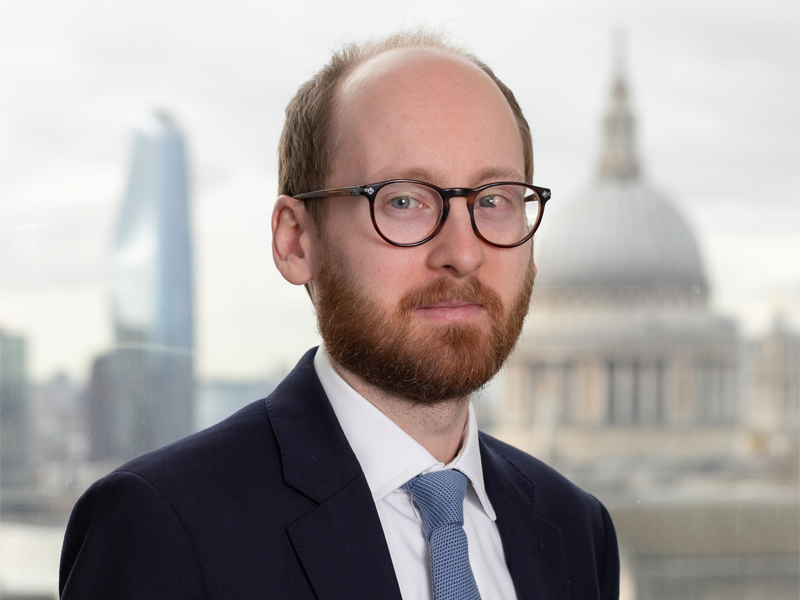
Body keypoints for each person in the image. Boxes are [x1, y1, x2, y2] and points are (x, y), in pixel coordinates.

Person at [60, 31, 619, 600]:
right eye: (403, 200)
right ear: (296, 240)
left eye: (494, 199)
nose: (463, 252)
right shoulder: (162, 526)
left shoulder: (576, 528)